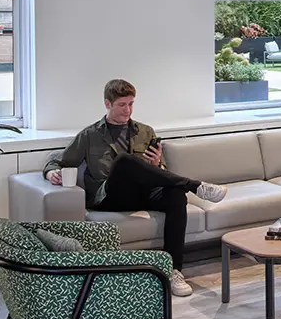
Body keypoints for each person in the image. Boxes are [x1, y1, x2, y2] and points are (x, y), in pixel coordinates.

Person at [43, 79, 227, 297]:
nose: (127, 110)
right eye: (122, 105)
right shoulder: (90, 135)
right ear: (107, 104)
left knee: (176, 194)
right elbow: (58, 161)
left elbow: (161, 172)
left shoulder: (145, 131)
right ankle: (195, 185)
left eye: (131, 104)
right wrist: (49, 172)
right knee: (124, 161)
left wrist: (157, 164)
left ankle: (173, 270)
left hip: (142, 193)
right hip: (109, 197)